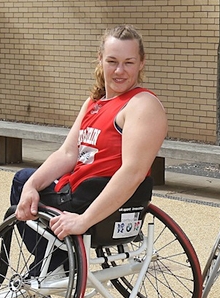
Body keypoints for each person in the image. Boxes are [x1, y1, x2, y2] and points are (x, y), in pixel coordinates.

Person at [10, 24, 166, 269]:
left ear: (142, 63)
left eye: (129, 62)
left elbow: (133, 172)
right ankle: (54, 263)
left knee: (20, 179)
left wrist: (84, 220)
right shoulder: (94, 103)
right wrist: (32, 186)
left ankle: (52, 264)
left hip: (92, 202)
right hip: (81, 193)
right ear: (100, 59)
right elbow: (67, 153)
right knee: (27, 181)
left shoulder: (141, 104)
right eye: (112, 61)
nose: (119, 71)